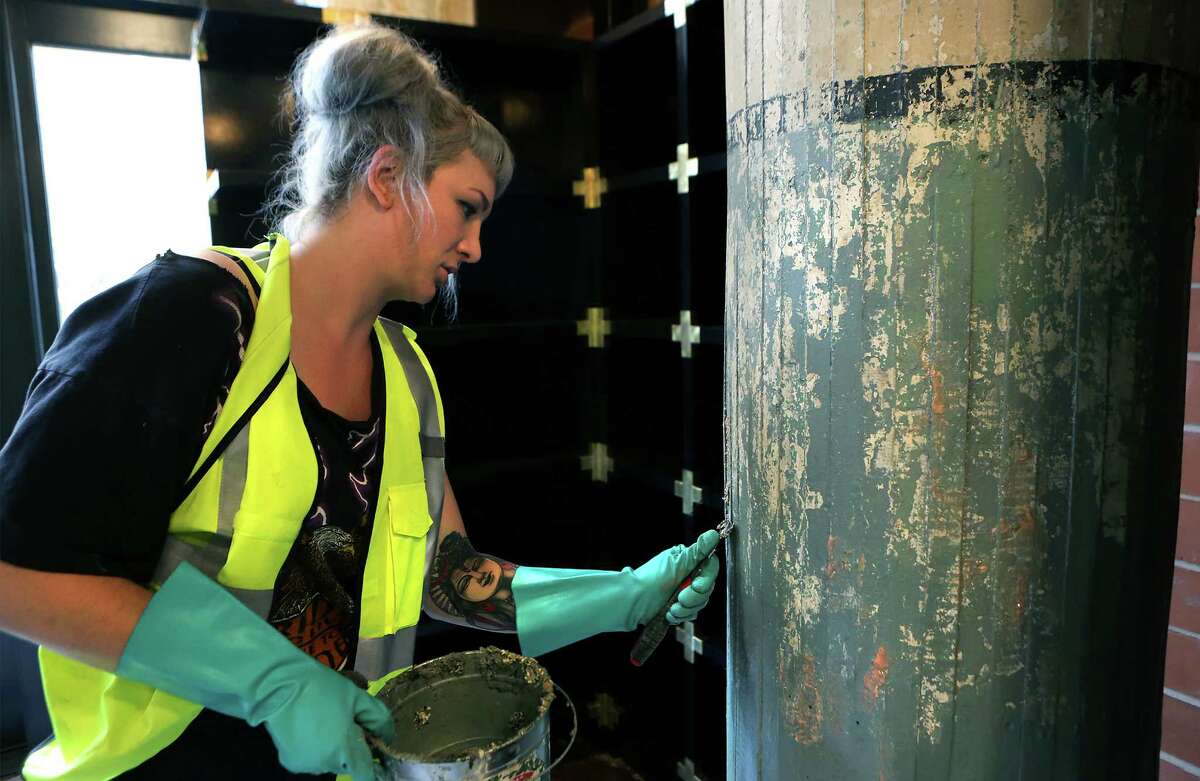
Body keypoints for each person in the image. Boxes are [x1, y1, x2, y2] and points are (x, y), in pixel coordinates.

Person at [0, 21, 721, 781]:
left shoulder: (406, 374)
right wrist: (268, 678)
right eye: (466, 206)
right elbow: (16, 569)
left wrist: (625, 593)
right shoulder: (193, 314)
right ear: (385, 177)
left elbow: (446, 575)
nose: (475, 246)